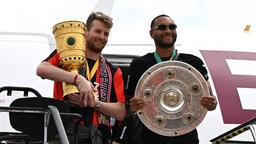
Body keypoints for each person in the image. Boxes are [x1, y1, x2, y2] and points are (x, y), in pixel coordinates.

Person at [112, 14, 218, 144]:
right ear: (152, 33)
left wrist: (212, 104)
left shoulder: (193, 62)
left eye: (172, 27)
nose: (168, 31)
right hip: (150, 137)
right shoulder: (139, 64)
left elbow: (210, 99)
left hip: (186, 137)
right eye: (162, 27)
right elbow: (129, 104)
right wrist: (133, 107)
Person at [36, 11, 126, 144]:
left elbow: (120, 112)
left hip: (98, 134)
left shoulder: (113, 71)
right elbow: (42, 69)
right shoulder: (67, 54)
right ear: (86, 32)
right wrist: (78, 79)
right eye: (97, 31)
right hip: (65, 130)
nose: (102, 37)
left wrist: (94, 103)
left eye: (106, 34)